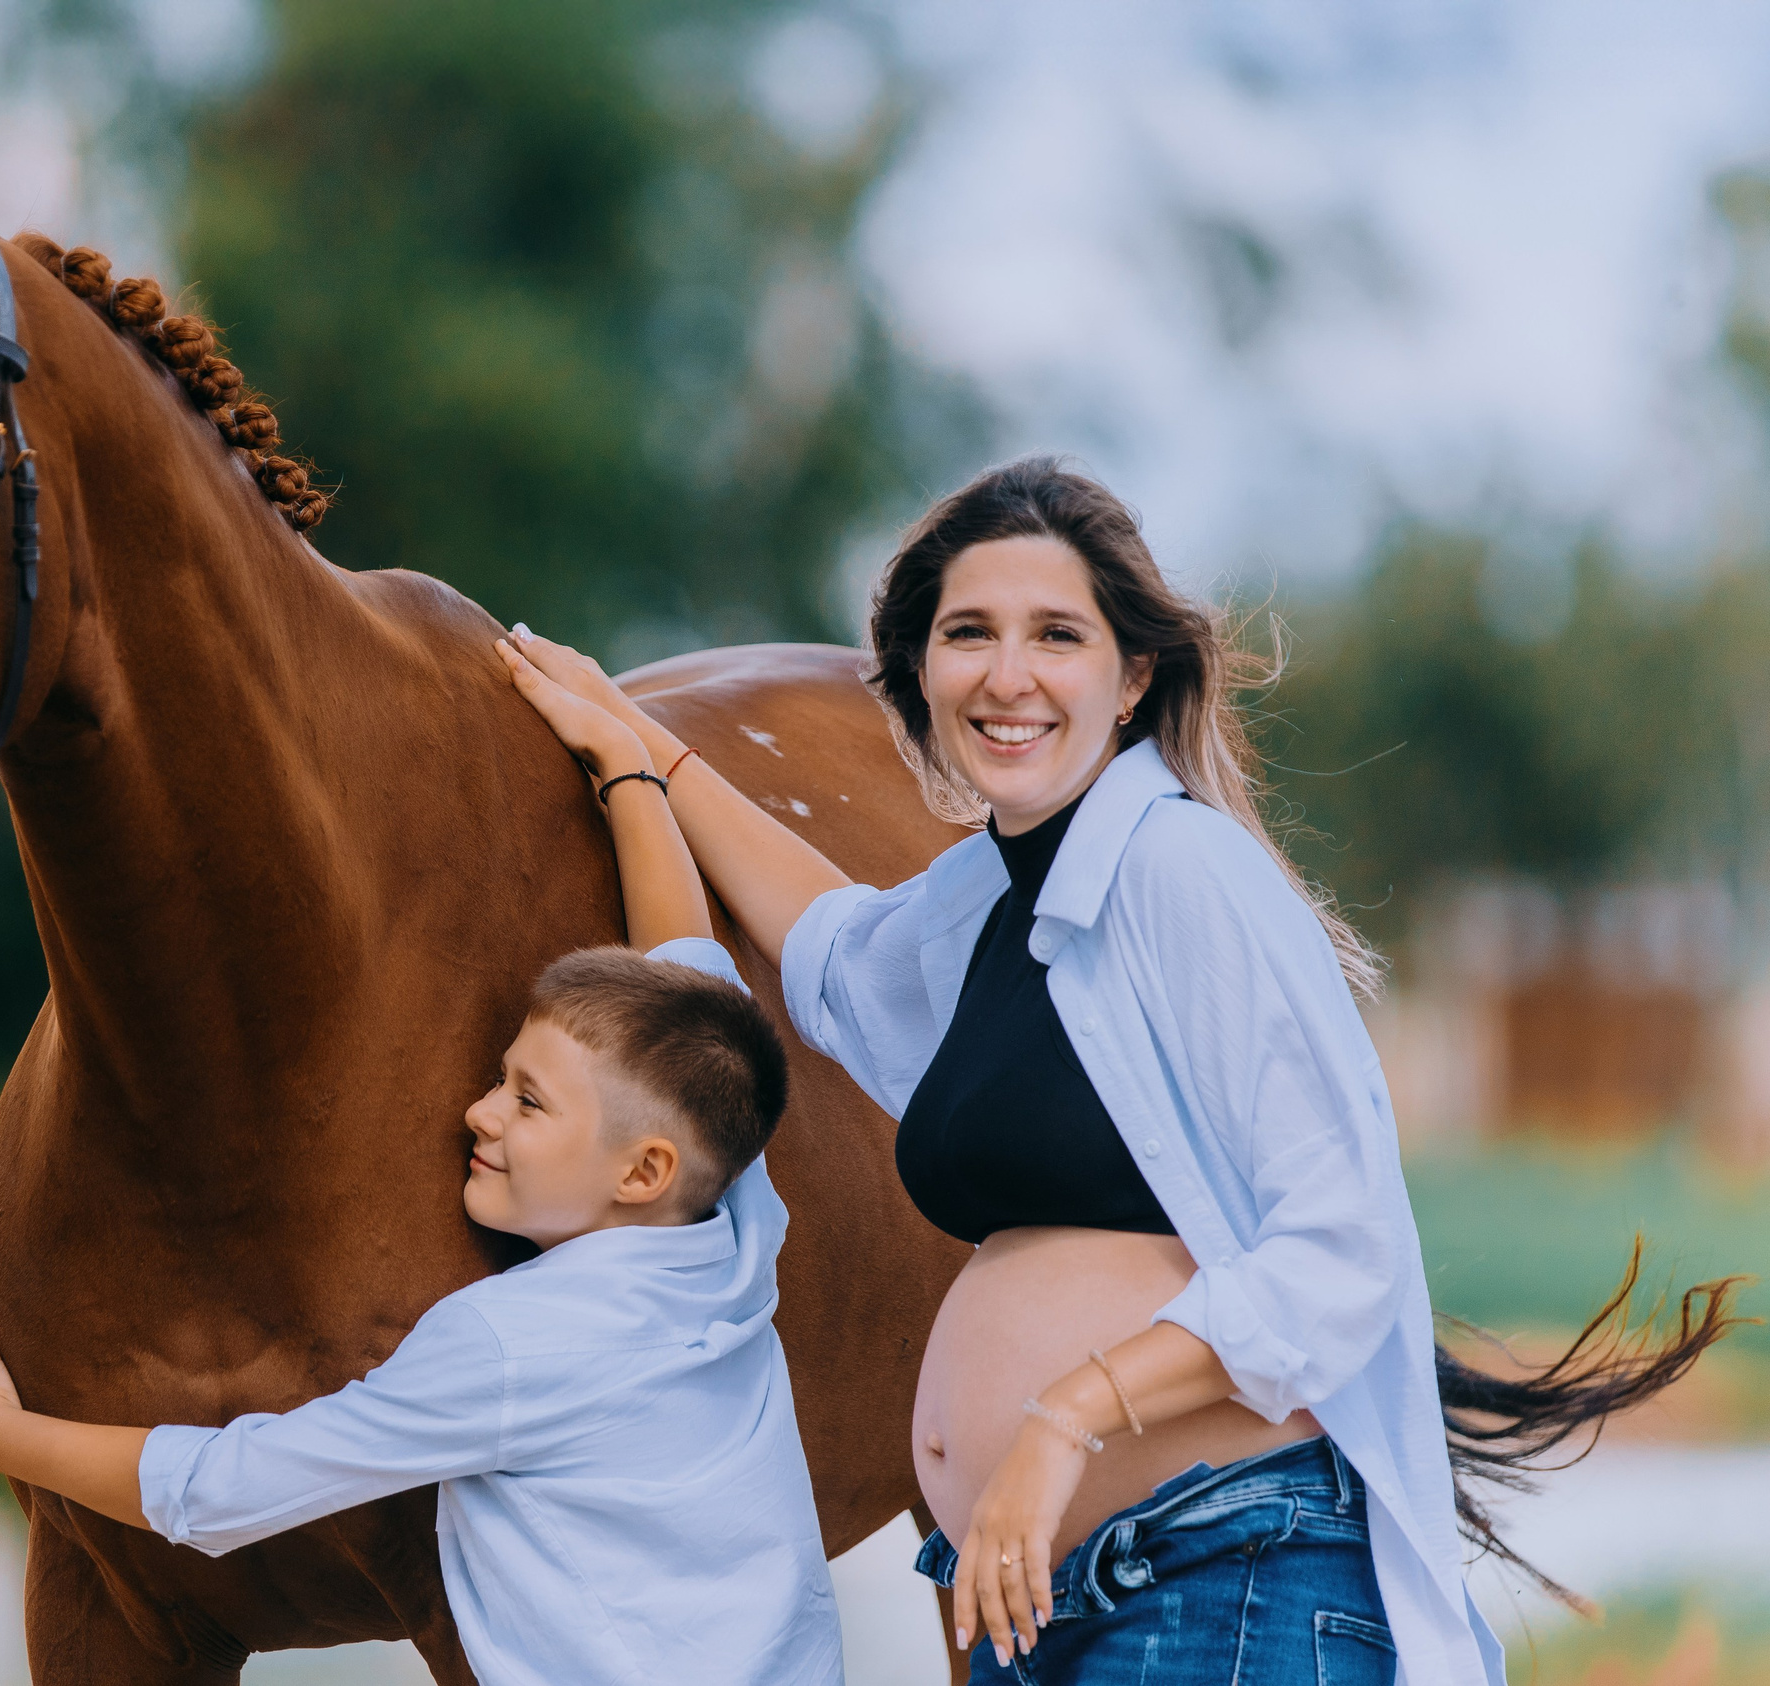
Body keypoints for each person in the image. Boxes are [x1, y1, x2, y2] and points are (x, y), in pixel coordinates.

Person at [495, 456, 1733, 1686]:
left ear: (1132, 676)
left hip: (1217, 1583)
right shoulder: (988, 902)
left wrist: (1063, 1419)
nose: (1007, 673)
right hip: (1046, 1606)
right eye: (966, 632)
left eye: (1056, 635)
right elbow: (828, 953)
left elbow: (1338, 1252)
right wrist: (637, 746)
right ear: (920, 675)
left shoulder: (1180, 871)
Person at [0, 664, 845, 1686]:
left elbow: (228, 1486)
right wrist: (626, 768)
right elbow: (689, 974)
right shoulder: (733, 1217)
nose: (479, 1110)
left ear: (642, 1170)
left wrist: (8, 1441)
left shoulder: (507, 1342)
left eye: (526, 1099)